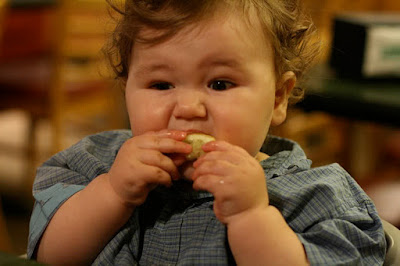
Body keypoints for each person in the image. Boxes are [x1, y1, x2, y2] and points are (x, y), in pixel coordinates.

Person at [28, 0, 386, 265]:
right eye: (161, 84)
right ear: (127, 91)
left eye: (219, 83)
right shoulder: (94, 166)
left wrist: (252, 217)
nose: (187, 108)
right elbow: (50, 256)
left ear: (278, 97)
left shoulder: (316, 198)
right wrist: (112, 193)